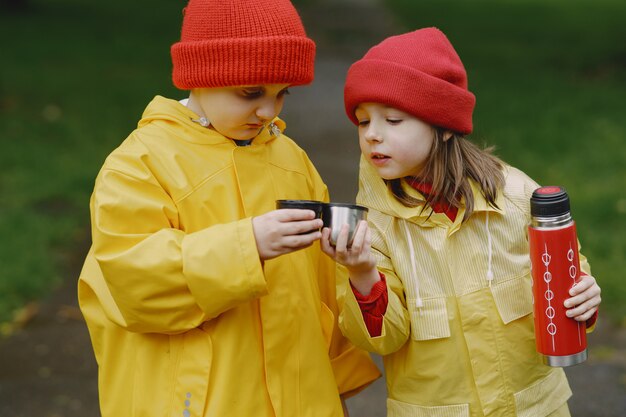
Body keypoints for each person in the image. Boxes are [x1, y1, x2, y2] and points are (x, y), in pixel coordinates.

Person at [77, 1, 380, 416]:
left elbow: (323, 291)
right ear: (201, 77)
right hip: (199, 402)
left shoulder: (291, 160)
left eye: (281, 94)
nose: (268, 111)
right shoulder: (141, 164)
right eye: (250, 93)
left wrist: (337, 388)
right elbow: (131, 281)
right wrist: (247, 244)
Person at [321, 27, 602, 417]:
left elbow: (567, 273)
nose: (372, 135)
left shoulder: (516, 195)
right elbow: (384, 340)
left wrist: (584, 298)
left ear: (444, 123)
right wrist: (362, 272)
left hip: (533, 408)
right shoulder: (374, 228)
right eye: (363, 121)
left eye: (393, 120)